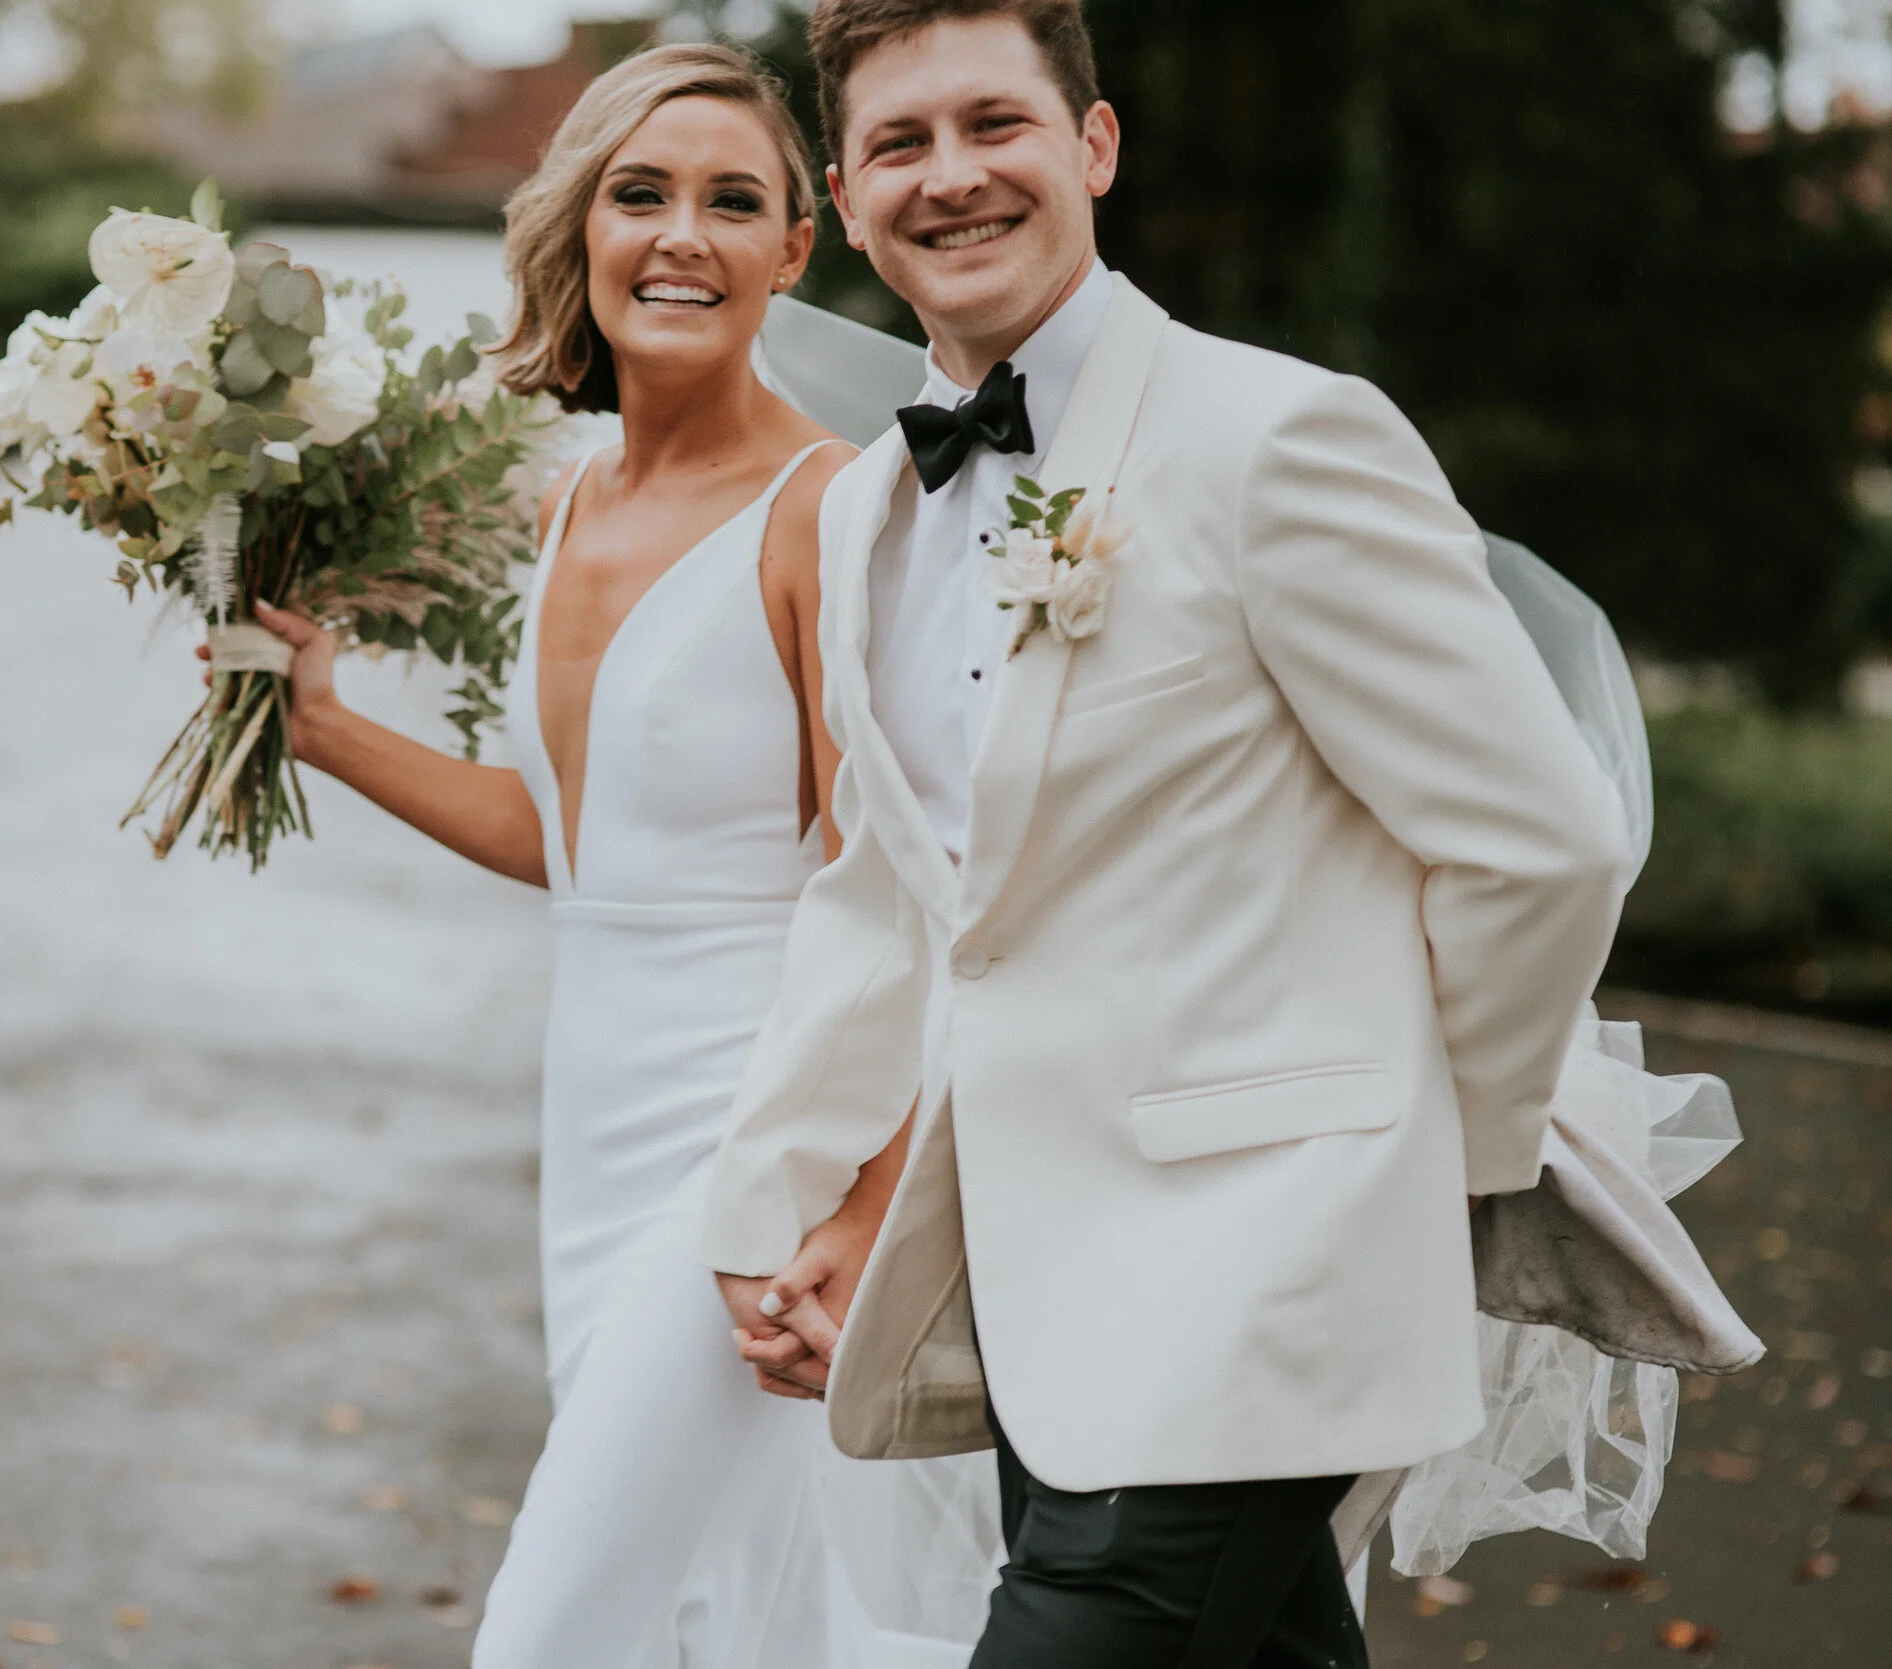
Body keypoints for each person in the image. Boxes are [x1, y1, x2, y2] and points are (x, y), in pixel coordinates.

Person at [698, 3, 1635, 1665]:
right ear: (843, 200)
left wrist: (1436, 1159)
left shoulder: (1279, 438)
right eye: (901, 144)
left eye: (996, 123)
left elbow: (1540, 840)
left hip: (1264, 1282)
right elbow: (889, 891)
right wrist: (779, 1191)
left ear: (1096, 144)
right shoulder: (861, 512)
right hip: (1042, 1296)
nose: (952, 175)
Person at [219, 42, 1002, 1669]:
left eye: (733, 202)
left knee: (553, 1629)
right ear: (581, 224)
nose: (682, 236)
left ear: (796, 249)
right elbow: (580, 848)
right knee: (724, 1612)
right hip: (590, 1132)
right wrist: (327, 731)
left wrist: (864, 1208)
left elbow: (911, 897)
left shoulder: (827, 514)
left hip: (751, 1146)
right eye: (641, 194)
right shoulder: (572, 500)